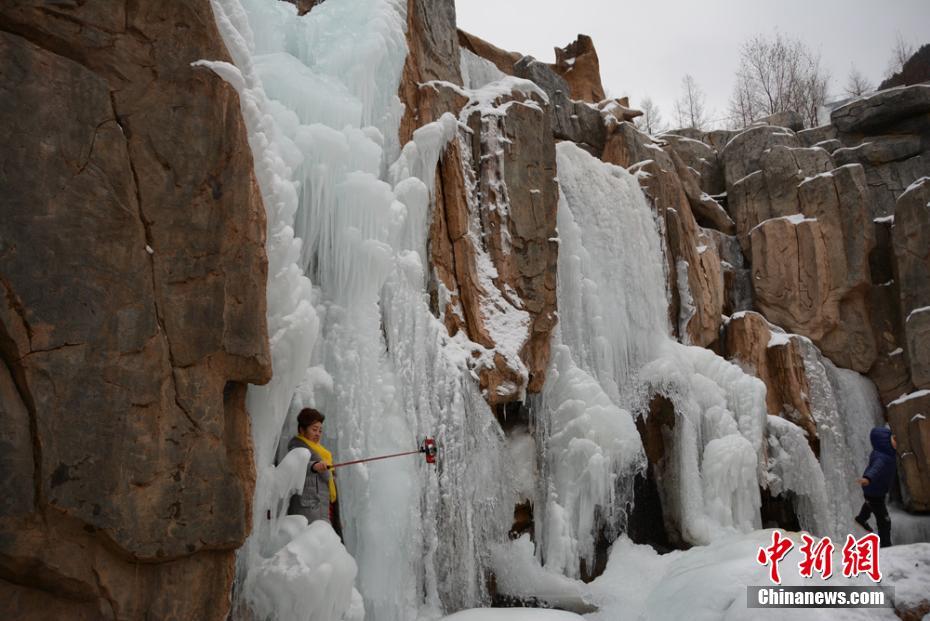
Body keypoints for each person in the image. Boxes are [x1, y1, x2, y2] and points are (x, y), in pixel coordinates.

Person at [287, 408, 340, 535]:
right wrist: (314, 466)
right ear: (302, 430)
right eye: (314, 429)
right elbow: (297, 464)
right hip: (308, 510)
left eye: (320, 431)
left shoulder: (322, 453)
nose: (318, 434)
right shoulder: (297, 447)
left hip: (322, 508)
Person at [854, 427, 897, 547]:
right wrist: (868, 478)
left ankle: (861, 518)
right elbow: (875, 469)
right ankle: (886, 545)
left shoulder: (886, 453)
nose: (896, 441)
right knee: (884, 520)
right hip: (874, 489)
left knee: (870, 503)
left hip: (875, 490)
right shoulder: (882, 457)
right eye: (893, 439)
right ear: (884, 442)